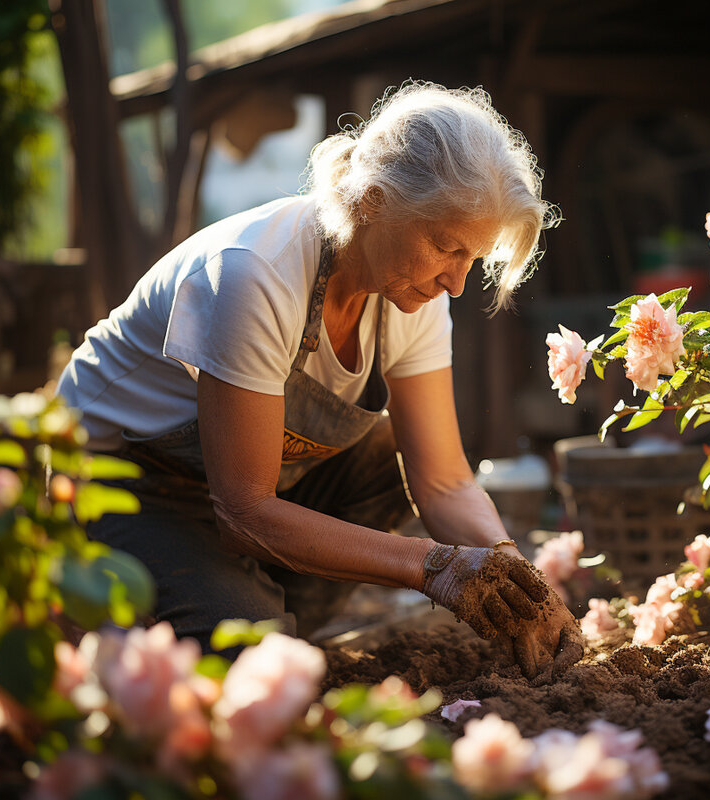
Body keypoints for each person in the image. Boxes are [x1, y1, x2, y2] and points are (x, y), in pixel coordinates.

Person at [57, 82, 582, 680]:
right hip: (116, 480)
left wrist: (515, 577)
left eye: (472, 257)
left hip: (228, 489)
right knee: (254, 665)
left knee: (387, 460)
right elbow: (246, 511)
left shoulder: (414, 295)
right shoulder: (253, 275)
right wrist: (435, 568)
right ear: (374, 202)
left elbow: (443, 483)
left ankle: (254, 617)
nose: (456, 282)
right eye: (444, 247)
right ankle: (179, 623)